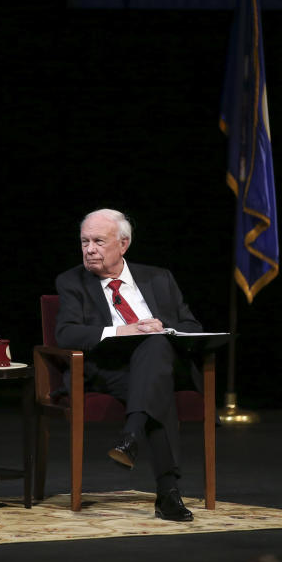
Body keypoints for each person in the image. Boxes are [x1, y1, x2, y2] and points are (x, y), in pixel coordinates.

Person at [54, 208, 203, 522]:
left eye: (98, 241)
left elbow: (191, 326)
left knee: (157, 344)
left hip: (162, 364)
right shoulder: (72, 281)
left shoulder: (158, 277)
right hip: (111, 370)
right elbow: (65, 332)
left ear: (123, 245)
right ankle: (168, 494)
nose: (89, 249)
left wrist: (163, 326)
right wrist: (120, 330)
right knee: (155, 389)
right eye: (84, 241)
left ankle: (131, 435)